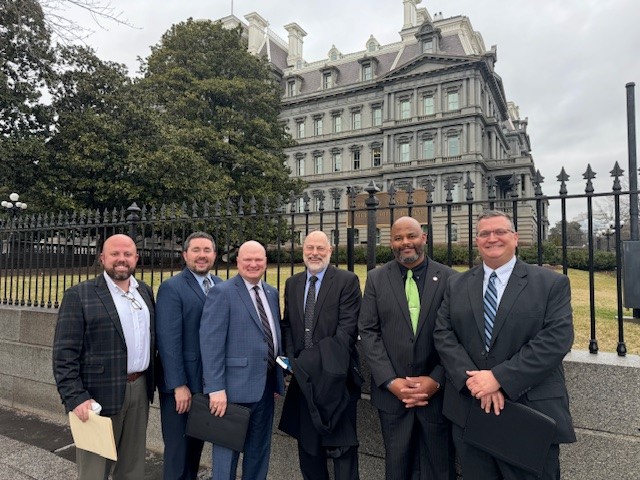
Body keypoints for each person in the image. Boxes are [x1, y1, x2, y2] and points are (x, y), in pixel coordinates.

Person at [434, 210, 576, 480]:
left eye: (500, 232)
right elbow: (443, 334)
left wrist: (499, 378)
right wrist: (476, 383)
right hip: (470, 410)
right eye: (484, 233)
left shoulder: (551, 283)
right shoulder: (456, 284)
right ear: (477, 241)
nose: (492, 238)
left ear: (515, 238)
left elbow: (556, 339)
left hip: (529, 412)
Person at [358, 216, 456, 480]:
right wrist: (391, 381)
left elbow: (457, 334)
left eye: (411, 236)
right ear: (391, 242)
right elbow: (368, 331)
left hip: (437, 396)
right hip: (392, 397)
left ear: (424, 237)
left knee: (440, 468)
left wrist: (436, 380)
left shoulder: (449, 278)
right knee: (397, 467)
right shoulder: (377, 278)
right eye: (398, 238)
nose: (405, 242)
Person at [52, 233, 155, 480]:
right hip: (96, 396)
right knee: (94, 471)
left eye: (127, 254)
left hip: (140, 389)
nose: (121, 259)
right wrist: (75, 397)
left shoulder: (144, 292)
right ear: (102, 258)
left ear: (136, 258)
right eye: (114, 254)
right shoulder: (79, 295)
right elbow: (64, 354)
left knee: (132, 468)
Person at [279, 230, 362, 480]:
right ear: (303, 250)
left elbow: (346, 332)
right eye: (309, 248)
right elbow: (288, 326)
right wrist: (292, 361)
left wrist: (306, 363)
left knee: (343, 453)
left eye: (320, 248)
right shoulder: (292, 283)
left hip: (336, 378)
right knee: (309, 451)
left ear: (330, 251)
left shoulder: (347, 281)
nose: (314, 253)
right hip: (303, 382)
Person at [199, 240, 285, 480]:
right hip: (231, 392)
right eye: (248, 259)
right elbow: (211, 343)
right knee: (226, 457)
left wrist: (277, 376)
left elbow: (272, 336)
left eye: (258, 259)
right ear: (237, 262)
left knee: (259, 454)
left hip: (265, 389)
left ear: (266, 262)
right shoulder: (222, 292)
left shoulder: (271, 292)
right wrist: (215, 388)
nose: (253, 264)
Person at [156, 231, 222, 480]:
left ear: (214, 255)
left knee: (195, 451)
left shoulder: (220, 285)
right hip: (182, 388)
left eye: (207, 250)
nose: (201, 255)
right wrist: (178, 385)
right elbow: (168, 340)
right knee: (178, 453)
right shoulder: (172, 288)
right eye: (196, 250)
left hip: (207, 385)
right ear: (185, 255)